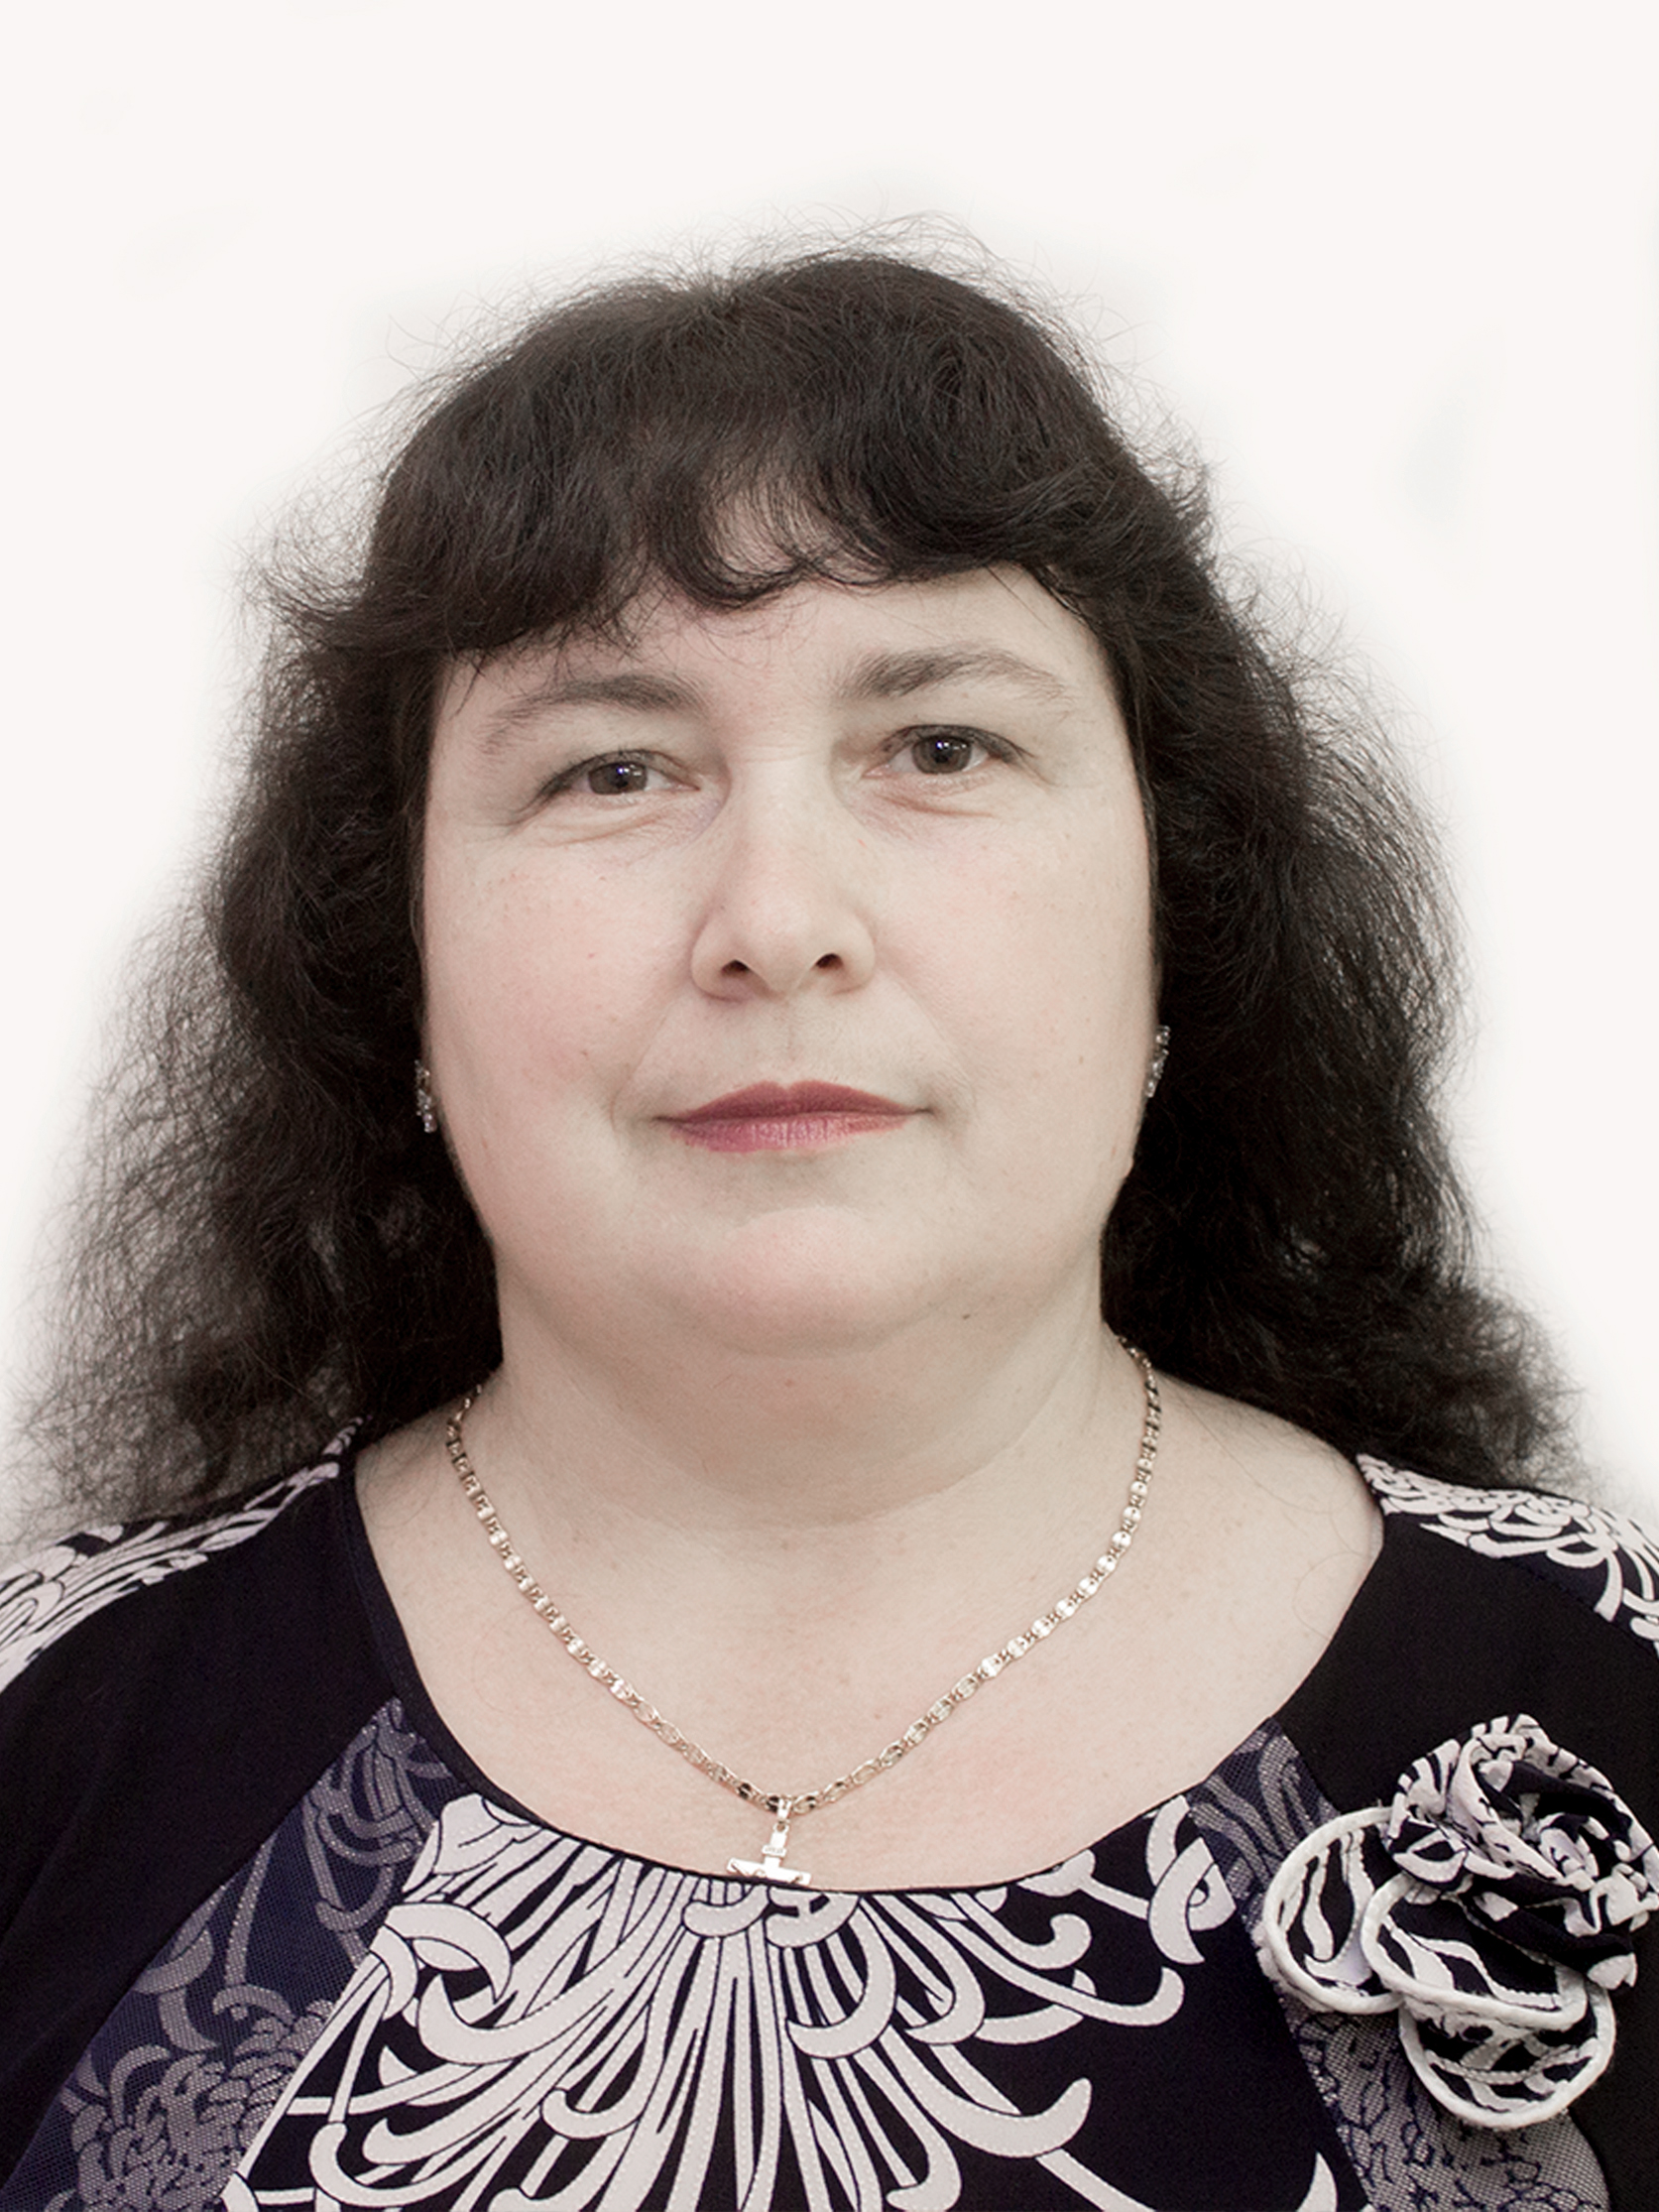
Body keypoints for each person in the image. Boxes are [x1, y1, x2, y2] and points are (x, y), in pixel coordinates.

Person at [0, 242, 1655, 2211]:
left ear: (1174, 925)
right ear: (396, 971)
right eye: (613, 766)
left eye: (941, 746)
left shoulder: (1608, 1699)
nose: (777, 917)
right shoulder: (48, 1731)